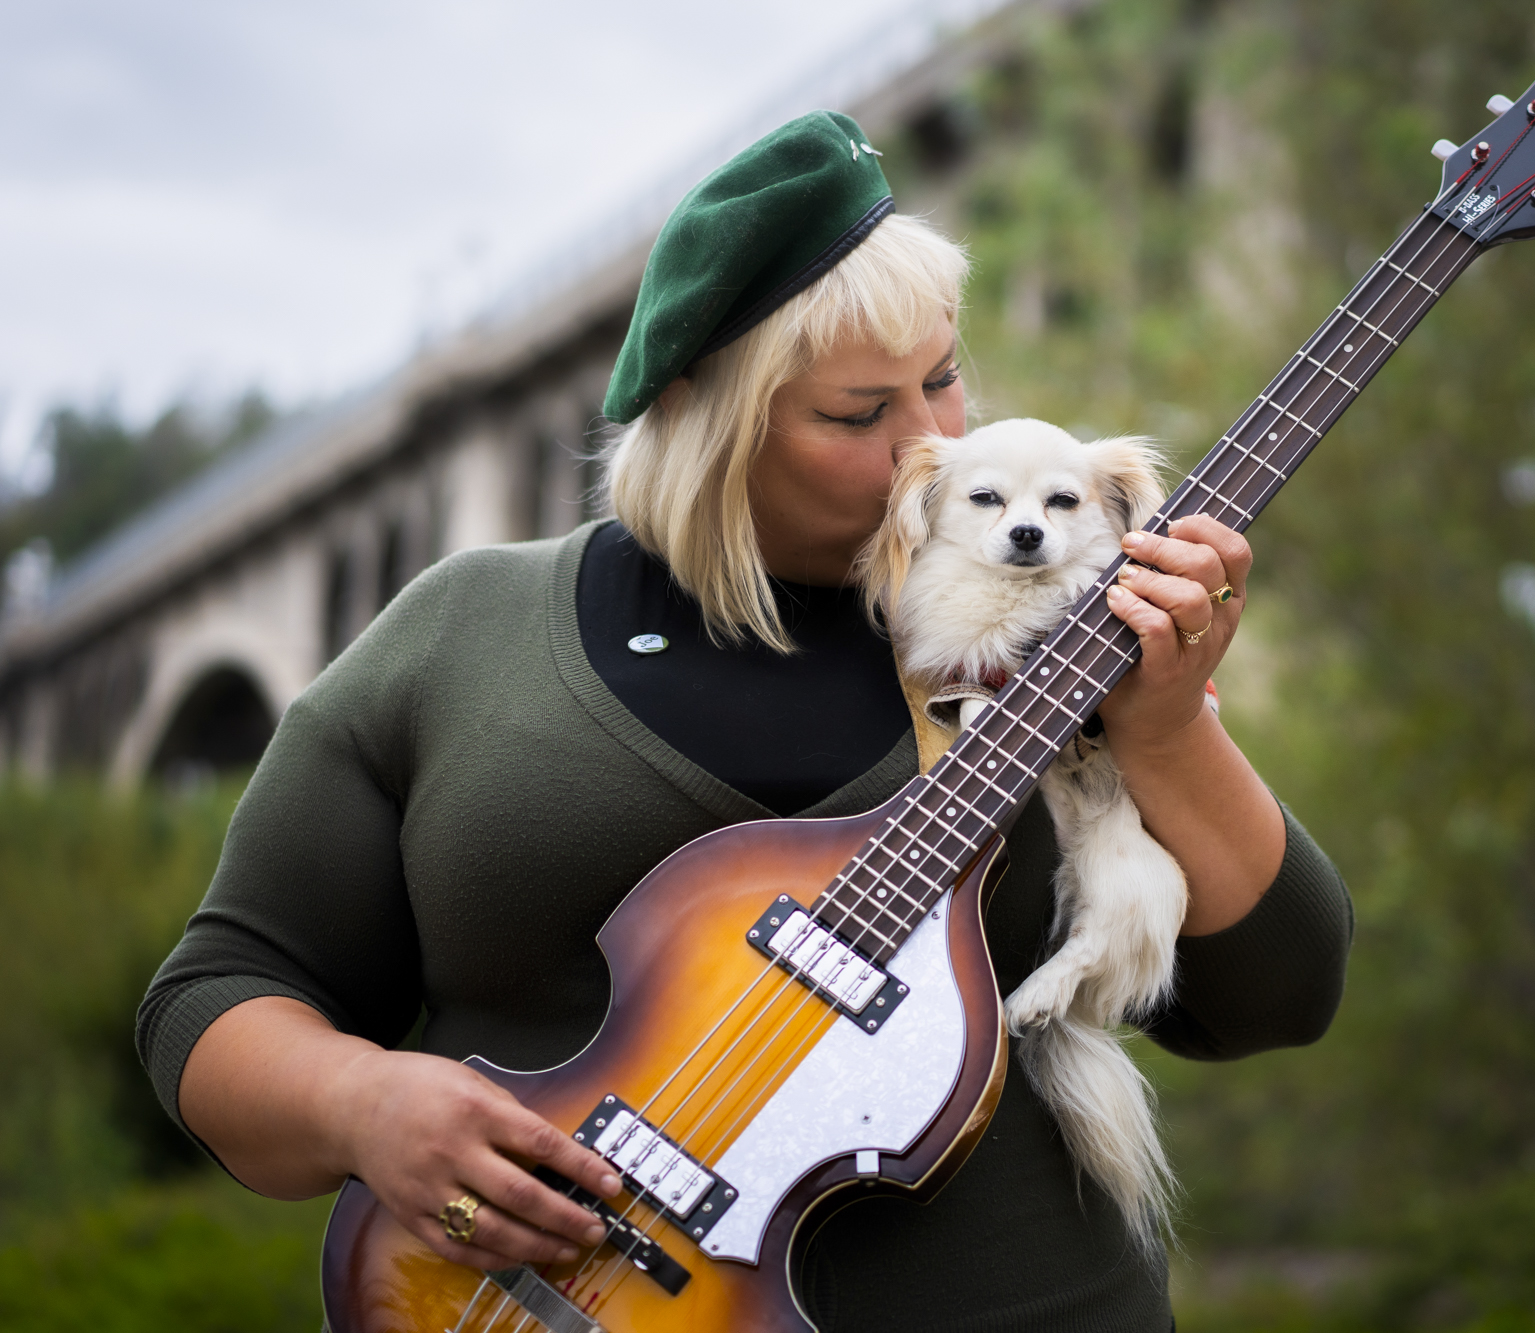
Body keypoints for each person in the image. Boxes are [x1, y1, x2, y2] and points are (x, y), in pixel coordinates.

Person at [137, 110, 1351, 1332]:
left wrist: (1163, 729)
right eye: (856, 411)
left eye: (941, 376)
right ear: (711, 427)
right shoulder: (468, 631)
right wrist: (363, 1103)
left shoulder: (1040, 625)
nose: (932, 440)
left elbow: (1277, 994)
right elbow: (220, 994)